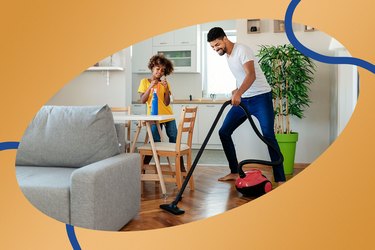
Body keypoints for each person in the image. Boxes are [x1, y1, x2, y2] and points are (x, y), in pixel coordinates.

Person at [207, 27, 286, 185]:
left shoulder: (242, 50)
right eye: (212, 47)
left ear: (224, 38)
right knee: (224, 132)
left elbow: (251, 74)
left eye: (217, 45)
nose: (216, 49)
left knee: (268, 135)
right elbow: (241, 76)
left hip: (261, 98)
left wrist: (238, 93)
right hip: (244, 100)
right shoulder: (228, 56)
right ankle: (234, 171)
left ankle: (280, 178)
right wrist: (237, 90)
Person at [138, 55, 184, 167]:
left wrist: (167, 89)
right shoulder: (144, 82)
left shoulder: (165, 84)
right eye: (158, 69)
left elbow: (167, 102)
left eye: (163, 70)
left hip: (168, 116)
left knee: (174, 138)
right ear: (152, 67)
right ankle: (144, 166)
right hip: (153, 117)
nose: (160, 72)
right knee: (154, 140)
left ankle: (181, 166)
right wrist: (150, 87)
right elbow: (143, 100)